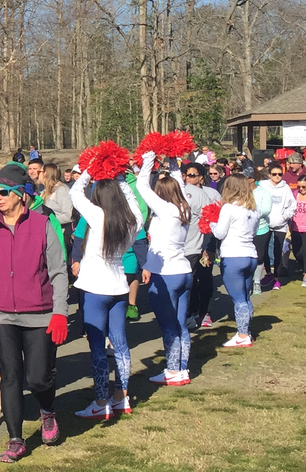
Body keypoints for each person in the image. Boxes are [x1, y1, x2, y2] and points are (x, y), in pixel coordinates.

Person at [0, 162, 69, 461]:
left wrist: (60, 312)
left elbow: (59, 273)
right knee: (10, 376)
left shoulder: (43, 225)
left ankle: (47, 411)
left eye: (4, 192)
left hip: (39, 313)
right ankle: (15, 439)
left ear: (22, 195)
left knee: (38, 378)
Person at [69, 165, 141, 419]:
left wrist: (90, 169)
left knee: (98, 347)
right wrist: (121, 179)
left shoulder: (96, 215)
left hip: (94, 289)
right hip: (119, 287)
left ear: (98, 197)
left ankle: (101, 400)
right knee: (120, 343)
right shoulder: (132, 221)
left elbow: (76, 192)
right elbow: (134, 204)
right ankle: (122, 395)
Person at [135, 152, 195, 386]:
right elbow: (178, 181)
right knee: (180, 324)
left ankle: (172, 371)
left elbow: (141, 184)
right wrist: (172, 160)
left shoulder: (166, 209)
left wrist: (148, 157)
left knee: (168, 325)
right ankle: (182, 369)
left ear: (161, 194)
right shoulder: (184, 208)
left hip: (166, 275)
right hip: (183, 271)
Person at [208, 175, 261, 348]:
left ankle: (243, 334)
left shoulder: (229, 208)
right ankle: (247, 330)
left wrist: (211, 224)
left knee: (238, 299)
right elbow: (253, 233)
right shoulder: (254, 209)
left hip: (233, 255)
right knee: (245, 296)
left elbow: (220, 233)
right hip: (250, 255)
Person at [179, 161, 219, 328]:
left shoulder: (210, 194)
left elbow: (212, 221)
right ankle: (190, 313)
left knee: (204, 280)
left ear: (201, 178)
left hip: (201, 245)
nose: (188, 178)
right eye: (186, 175)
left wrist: (208, 248)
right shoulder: (179, 192)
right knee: (189, 282)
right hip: (183, 247)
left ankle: (205, 312)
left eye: (192, 175)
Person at [256, 161, 293, 291]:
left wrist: (283, 217)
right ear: (269, 175)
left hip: (280, 225)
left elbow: (291, 206)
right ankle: (268, 274)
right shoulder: (262, 186)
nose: (277, 177)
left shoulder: (285, 188)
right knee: (264, 251)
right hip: (264, 224)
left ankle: (277, 279)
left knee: (278, 251)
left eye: (280, 174)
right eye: (274, 174)